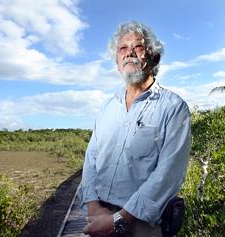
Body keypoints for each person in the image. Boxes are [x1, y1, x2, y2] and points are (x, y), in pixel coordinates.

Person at [79, 21, 191, 237]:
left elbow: (169, 173)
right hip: (99, 216)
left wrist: (119, 220)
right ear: (117, 62)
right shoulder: (106, 108)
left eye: (138, 47)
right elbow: (91, 158)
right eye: (123, 48)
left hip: (142, 224)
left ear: (154, 57)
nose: (129, 53)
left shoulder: (173, 107)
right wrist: (93, 206)